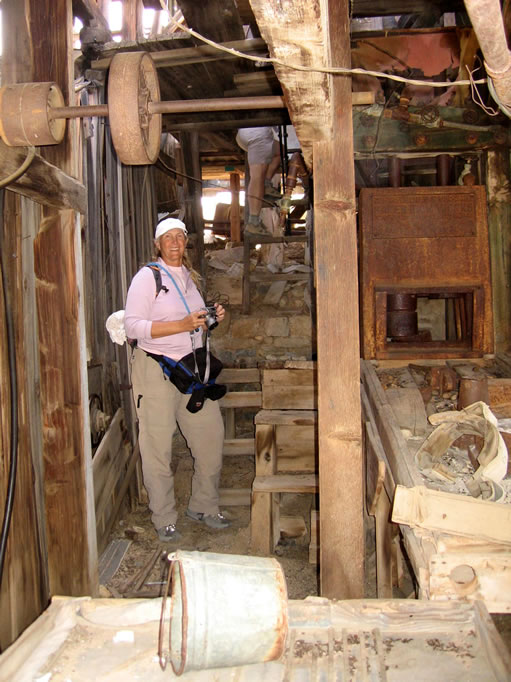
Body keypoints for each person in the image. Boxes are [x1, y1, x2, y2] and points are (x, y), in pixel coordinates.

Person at [124, 217, 230, 543]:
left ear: (185, 243)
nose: (174, 243)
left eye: (179, 237)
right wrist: (181, 325)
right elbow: (133, 327)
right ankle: (164, 516)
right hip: (155, 370)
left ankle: (203, 505)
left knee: (211, 437)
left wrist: (209, 320)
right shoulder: (147, 278)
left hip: (191, 371)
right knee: (157, 446)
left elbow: (191, 323)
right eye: (167, 238)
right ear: (158, 244)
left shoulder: (189, 279)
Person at [236, 126, 281, 235]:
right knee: (257, 177)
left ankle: (266, 184)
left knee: (279, 152)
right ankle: (253, 222)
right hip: (258, 134)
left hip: (248, 132)